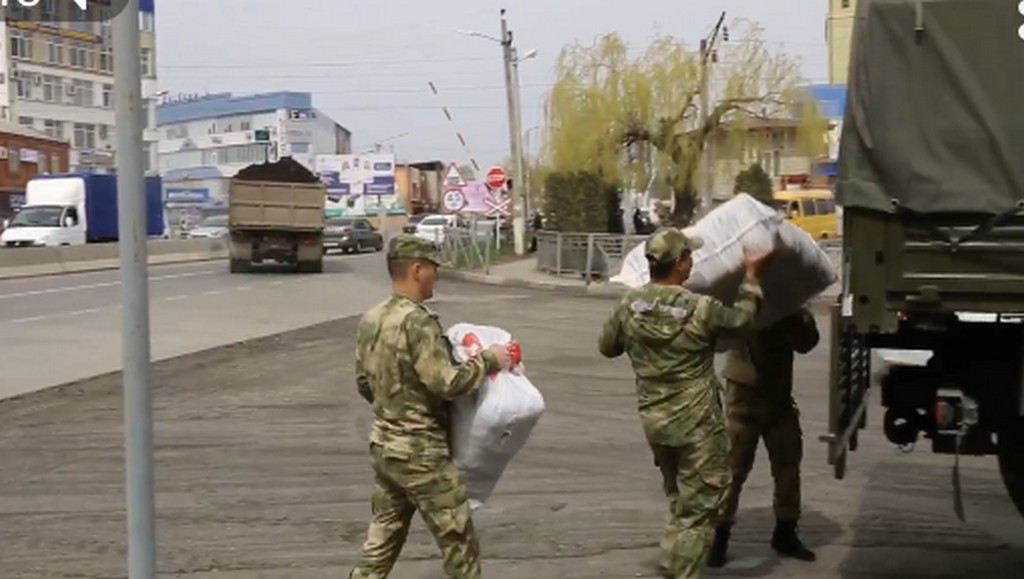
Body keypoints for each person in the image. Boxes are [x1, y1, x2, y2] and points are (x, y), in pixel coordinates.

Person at [597, 227, 773, 579]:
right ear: (679, 263)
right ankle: (683, 572)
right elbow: (742, 320)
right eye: (689, 256)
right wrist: (752, 276)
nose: (692, 261)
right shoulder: (700, 308)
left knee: (681, 499)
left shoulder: (629, 305)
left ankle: (672, 565)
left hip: (656, 422)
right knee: (700, 509)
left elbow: (607, 347)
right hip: (696, 426)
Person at [349, 234, 512, 579]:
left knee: (381, 542)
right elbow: (448, 383)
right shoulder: (418, 322)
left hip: (386, 447)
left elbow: (364, 384)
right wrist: (490, 360)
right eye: (434, 269)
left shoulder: (372, 318)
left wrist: (395, 408)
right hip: (422, 455)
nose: (437, 275)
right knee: (459, 543)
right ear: (417, 269)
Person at [709, 306, 820, 567]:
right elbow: (720, 336)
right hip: (744, 396)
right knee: (733, 470)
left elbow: (807, 342)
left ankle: (786, 532)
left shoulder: (791, 300)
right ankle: (719, 538)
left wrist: (794, 315)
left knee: (788, 466)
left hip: (779, 396)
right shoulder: (741, 296)